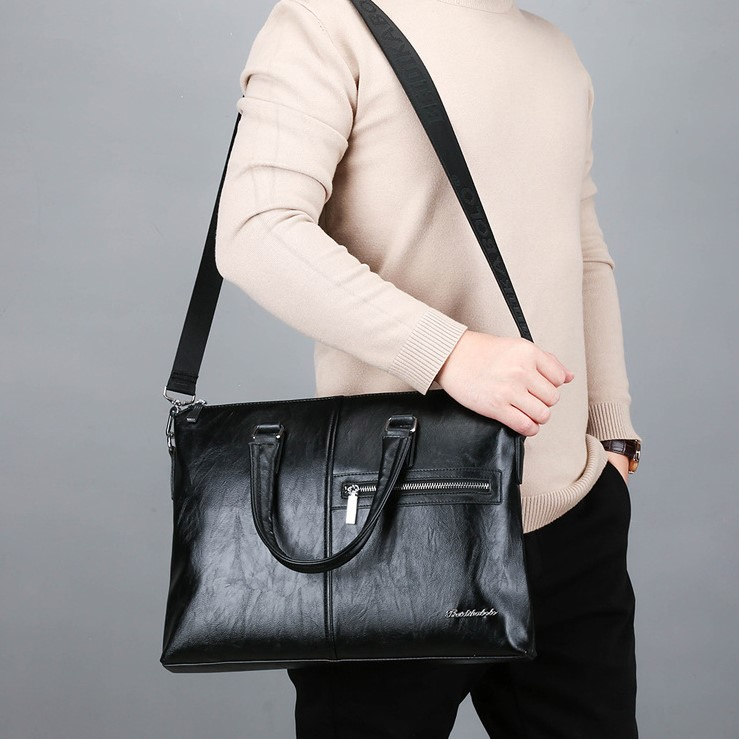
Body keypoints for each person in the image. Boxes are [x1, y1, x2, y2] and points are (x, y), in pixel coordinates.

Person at [215, 0, 643, 736]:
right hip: (389, 526)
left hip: (569, 519)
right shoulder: (326, 21)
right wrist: (449, 353)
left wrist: (612, 432)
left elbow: (583, 249)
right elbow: (257, 229)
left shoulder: (554, 51)